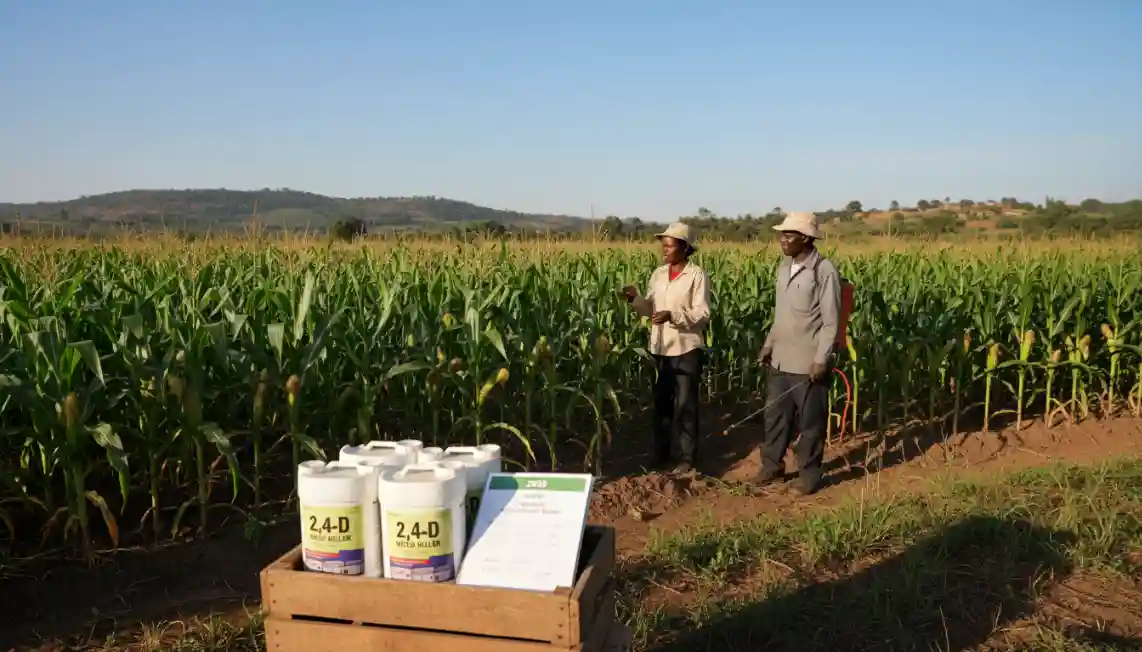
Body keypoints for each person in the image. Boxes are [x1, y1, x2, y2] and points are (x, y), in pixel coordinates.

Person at [755, 211, 841, 495]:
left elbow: (831, 322)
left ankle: (809, 475)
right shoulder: (784, 267)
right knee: (775, 417)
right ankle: (771, 467)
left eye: (788, 235)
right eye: (782, 234)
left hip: (808, 363)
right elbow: (780, 315)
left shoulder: (824, 270)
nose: (782, 240)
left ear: (805, 238)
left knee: (810, 422)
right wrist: (768, 344)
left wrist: (821, 359)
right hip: (780, 359)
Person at [621, 222, 711, 475]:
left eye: (670, 246)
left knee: (685, 405)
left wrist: (673, 315)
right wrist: (634, 300)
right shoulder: (659, 274)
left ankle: (686, 458)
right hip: (661, 348)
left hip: (685, 349)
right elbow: (650, 308)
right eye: (664, 246)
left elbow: (702, 315)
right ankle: (660, 454)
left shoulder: (696, 276)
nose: (665, 250)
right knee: (662, 404)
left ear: (685, 248)